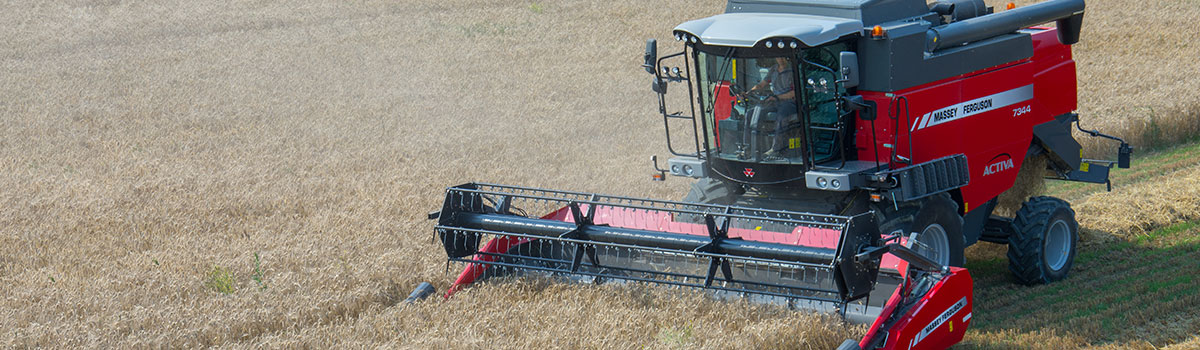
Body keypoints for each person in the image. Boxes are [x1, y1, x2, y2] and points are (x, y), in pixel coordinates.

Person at [747, 57, 798, 157]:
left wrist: (776, 97)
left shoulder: (793, 71)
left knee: (781, 116)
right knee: (751, 113)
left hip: (789, 102)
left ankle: (776, 149)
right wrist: (748, 92)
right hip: (775, 101)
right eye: (779, 57)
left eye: (783, 57)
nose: (781, 59)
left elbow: (794, 93)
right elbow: (761, 85)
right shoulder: (773, 69)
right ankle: (748, 147)